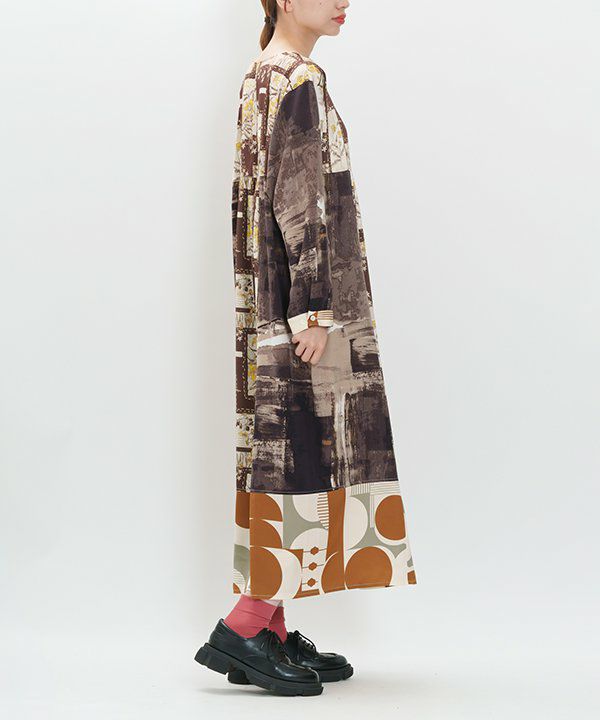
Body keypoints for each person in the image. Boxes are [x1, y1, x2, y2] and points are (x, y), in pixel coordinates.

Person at [195, 0, 416, 697]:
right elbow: (301, 201)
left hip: (269, 308)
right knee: (304, 457)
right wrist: (313, 312)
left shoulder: (260, 72)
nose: (345, 1)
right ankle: (244, 624)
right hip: (306, 311)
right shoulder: (299, 79)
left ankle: (272, 629)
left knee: (281, 458)